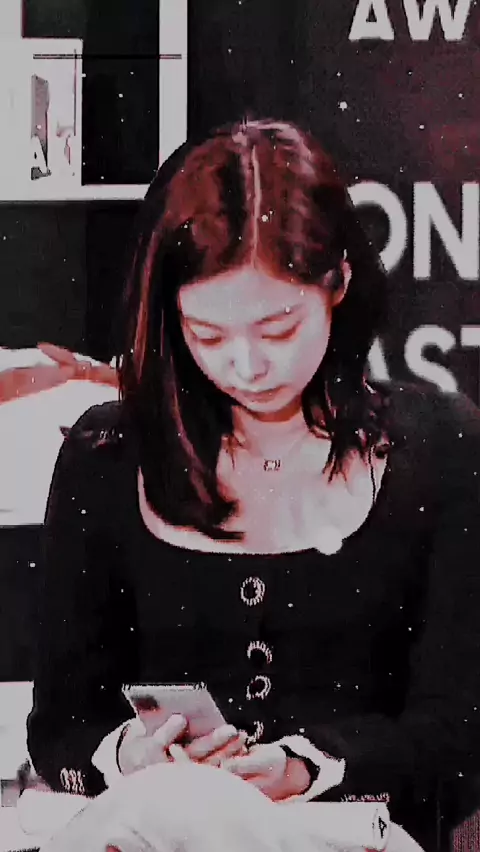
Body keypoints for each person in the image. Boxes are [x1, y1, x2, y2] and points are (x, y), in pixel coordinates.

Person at [26, 117, 480, 852]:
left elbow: (459, 735)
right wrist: (128, 756)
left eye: (277, 329)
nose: (246, 365)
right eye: (207, 335)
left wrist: (311, 765)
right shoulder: (105, 455)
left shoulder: (441, 446)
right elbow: (59, 730)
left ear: (338, 283)